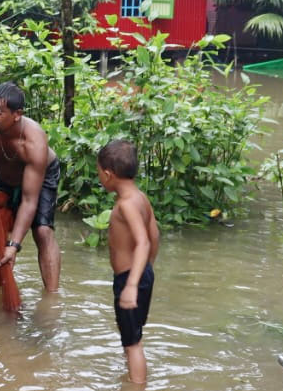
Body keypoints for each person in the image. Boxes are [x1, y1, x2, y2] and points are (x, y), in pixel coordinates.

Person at [0, 81, 62, 292]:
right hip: (3, 175)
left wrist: (14, 245)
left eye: (0, 111)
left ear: (17, 114)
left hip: (43, 175)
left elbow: (29, 201)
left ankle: (52, 296)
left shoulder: (34, 141)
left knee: (42, 231)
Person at [98, 139, 160, 385]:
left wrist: (132, 284)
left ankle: (136, 385)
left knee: (133, 344)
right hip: (141, 273)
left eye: (98, 174)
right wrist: (147, 270)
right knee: (132, 337)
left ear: (108, 174)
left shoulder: (126, 205)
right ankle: (132, 377)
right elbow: (155, 235)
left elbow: (143, 241)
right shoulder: (140, 197)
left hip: (129, 278)